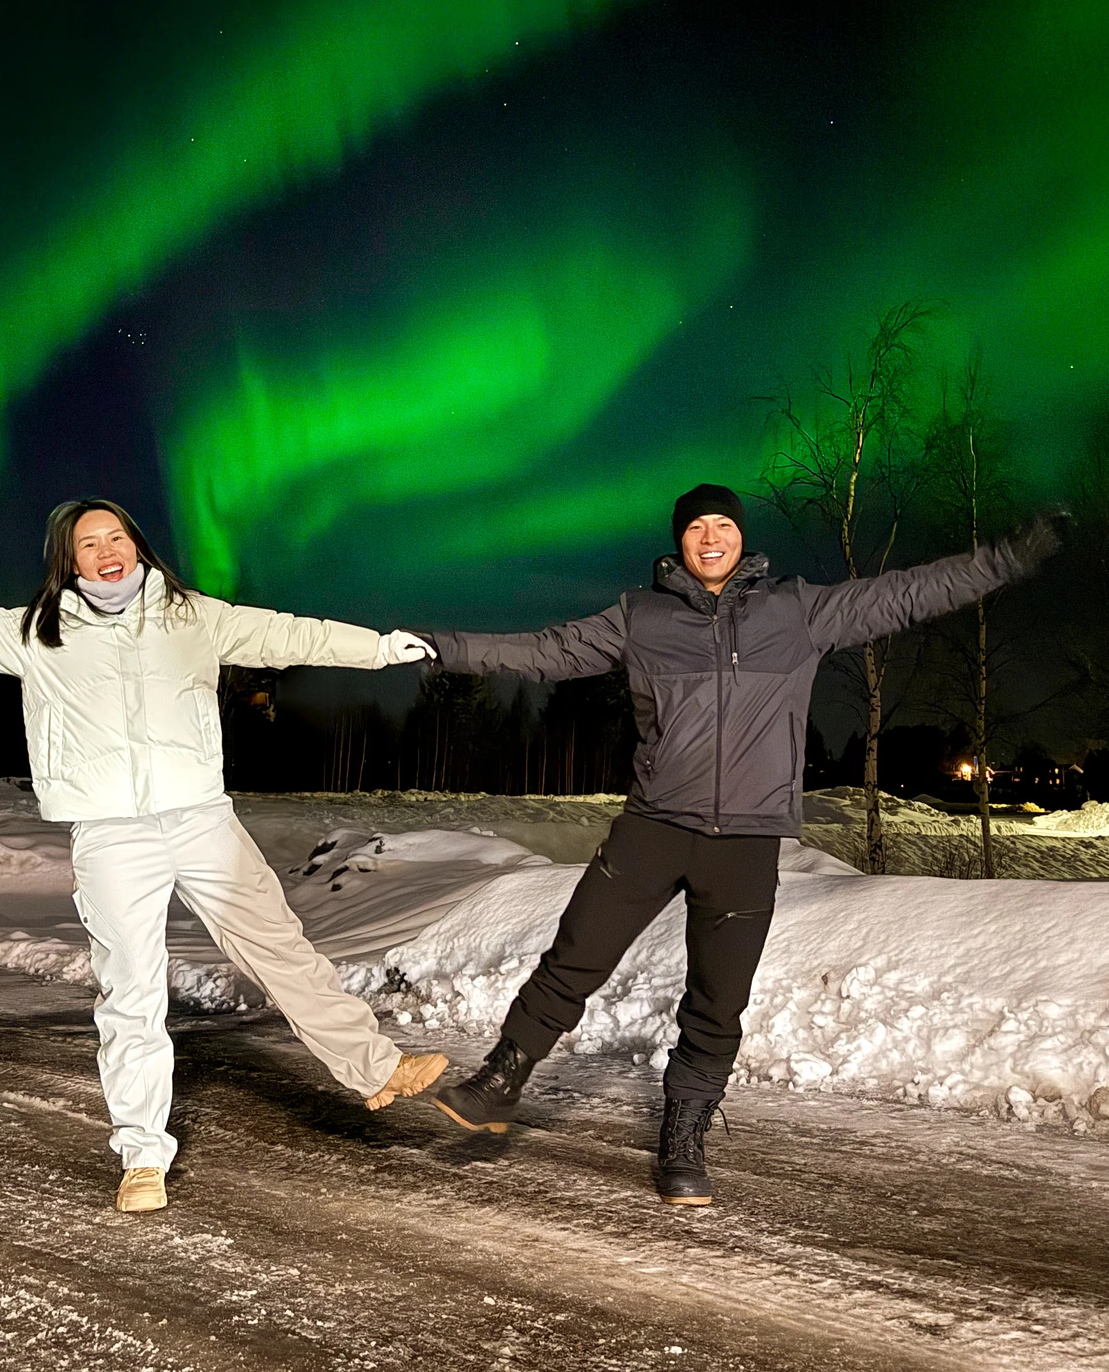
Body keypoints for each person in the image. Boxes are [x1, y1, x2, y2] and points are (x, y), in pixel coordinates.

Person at [0, 497, 447, 1214]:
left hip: (200, 819)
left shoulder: (194, 617)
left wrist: (380, 648)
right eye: (88, 544)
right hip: (111, 835)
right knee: (131, 992)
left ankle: (377, 1069)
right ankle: (141, 1157)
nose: (107, 552)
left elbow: (293, 636)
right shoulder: (37, 633)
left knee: (279, 948)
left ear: (137, 544)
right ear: (68, 562)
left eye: (116, 537)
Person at [421, 482, 1063, 1205]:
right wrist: (444, 648)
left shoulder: (797, 611)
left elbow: (906, 593)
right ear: (679, 542)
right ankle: (502, 1078)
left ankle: (683, 1135)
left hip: (747, 844)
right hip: (655, 826)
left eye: (722, 523)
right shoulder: (641, 617)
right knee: (576, 955)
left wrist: (1004, 560)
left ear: (742, 537)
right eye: (696, 527)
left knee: (718, 1000)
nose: (710, 536)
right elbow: (544, 651)